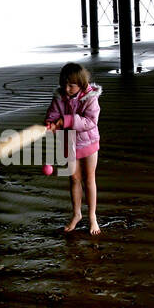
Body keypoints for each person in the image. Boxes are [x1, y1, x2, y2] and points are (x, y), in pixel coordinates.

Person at [44, 63, 103, 235]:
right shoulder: (59, 97)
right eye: (64, 84)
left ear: (82, 84)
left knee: (89, 179)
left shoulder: (91, 97)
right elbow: (52, 114)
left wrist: (67, 121)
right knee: (74, 179)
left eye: (71, 85)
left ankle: (92, 216)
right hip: (68, 143)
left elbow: (91, 121)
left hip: (88, 143)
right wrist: (50, 123)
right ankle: (76, 214)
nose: (67, 88)